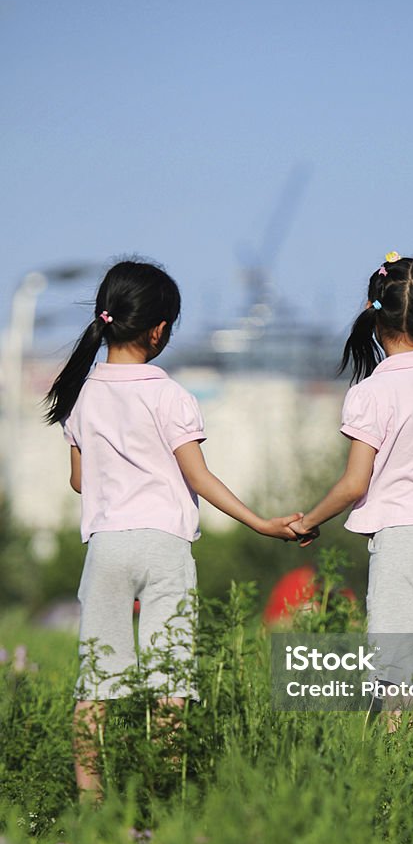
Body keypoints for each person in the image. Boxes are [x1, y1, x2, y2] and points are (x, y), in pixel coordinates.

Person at [45, 259, 300, 798]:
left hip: (108, 548)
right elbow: (199, 477)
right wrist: (260, 522)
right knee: (170, 685)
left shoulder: (82, 395)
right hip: (165, 549)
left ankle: (94, 810)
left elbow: (78, 482)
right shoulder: (171, 396)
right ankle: (162, 801)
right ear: (159, 330)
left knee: (96, 687)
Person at [289, 255, 413, 726]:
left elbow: (355, 483)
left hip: (402, 540)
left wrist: (307, 521)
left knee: (397, 674)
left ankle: (394, 782)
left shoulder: (371, 392)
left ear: (376, 316)